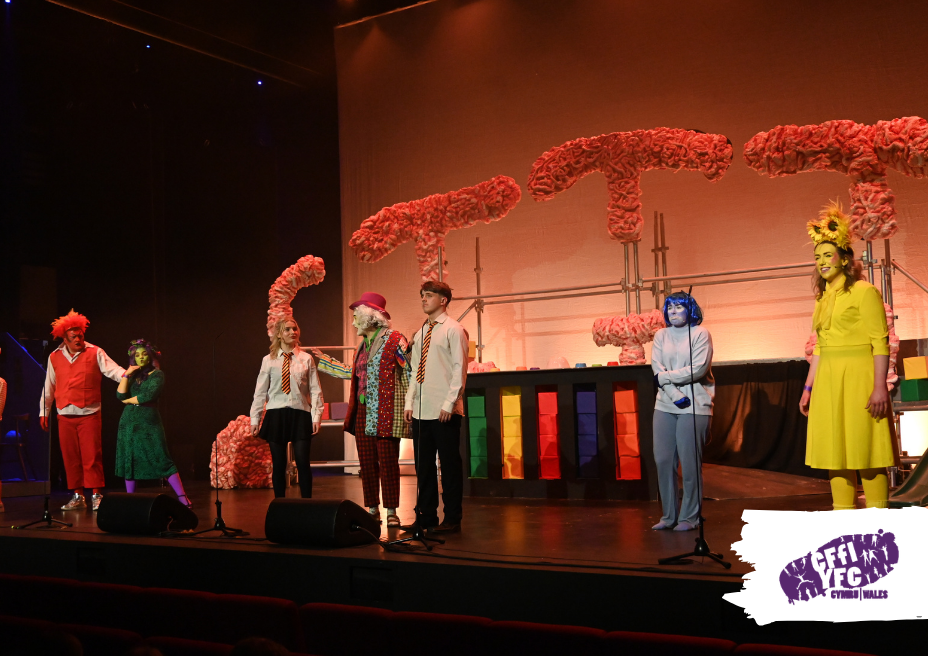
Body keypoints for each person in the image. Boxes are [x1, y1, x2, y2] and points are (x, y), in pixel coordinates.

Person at [799, 202, 893, 509]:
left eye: (828, 255)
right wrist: (808, 387)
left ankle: (878, 522)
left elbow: (880, 342)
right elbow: (821, 347)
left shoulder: (864, 291)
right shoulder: (822, 298)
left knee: (867, 450)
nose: (822, 262)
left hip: (858, 376)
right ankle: (844, 520)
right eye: (818, 258)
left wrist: (879, 387)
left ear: (844, 258)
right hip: (828, 380)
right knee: (835, 453)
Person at [313, 293, 410, 527]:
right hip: (363, 411)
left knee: (388, 462)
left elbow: (408, 371)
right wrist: (326, 361)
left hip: (386, 411)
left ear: (370, 317)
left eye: (357, 317)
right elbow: (353, 372)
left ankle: (391, 511)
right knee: (366, 462)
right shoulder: (361, 346)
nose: (354, 322)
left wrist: (410, 404)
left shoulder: (395, 339)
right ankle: (372, 508)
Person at [40, 310, 125, 511]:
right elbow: (49, 385)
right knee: (70, 458)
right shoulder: (54, 356)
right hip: (64, 414)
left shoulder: (95, 352)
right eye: (73, 337)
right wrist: (44, 411)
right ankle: (78, 496)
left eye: (80, 335)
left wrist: (129, 375)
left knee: (92, 456)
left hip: (89, 413)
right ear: (65, 339)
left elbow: (114, 370)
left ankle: (96, 495)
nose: (78, 339)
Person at [403, 280, 469, 534]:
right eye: (422, 295)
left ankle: (452, 518)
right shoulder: (421, 332)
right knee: (424, 467)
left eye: (429, 295)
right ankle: (426, 516)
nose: (423, 299)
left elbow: (459, 369)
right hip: (422, 408)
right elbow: (414, 371)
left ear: (443, 300)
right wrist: (410, 401)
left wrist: (449, 403)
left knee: (449, 466)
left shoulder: (454, 329)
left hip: (444, 409)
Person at [650, 291, 714, 531]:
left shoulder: (700, 333)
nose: (673, 311)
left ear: (690, 309)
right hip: (665, 403)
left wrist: (665, 378)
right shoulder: (661, 335)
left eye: (679, 307)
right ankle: (669, 516)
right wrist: (675, 394)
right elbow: (657, 368)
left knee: (689, 463)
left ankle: (690, 517)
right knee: (663, 460)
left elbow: (698, 369)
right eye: (670, 308)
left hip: (695, 404)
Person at [250, 316, 324, 498]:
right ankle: (280, 505)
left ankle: (307, 504)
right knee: (279, 464)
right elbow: (260, 392)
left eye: (295, 329)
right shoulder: (269, 360)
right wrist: (255, 419)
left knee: (303, 462)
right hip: (276, 414)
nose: (293, 332)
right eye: (288, 329)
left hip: (300, 413)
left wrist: (316, 416)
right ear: (279, 334)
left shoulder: (306, 359)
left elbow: (315, 390)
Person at [116, 339, 191, 507]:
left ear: (150, 356)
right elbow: (120, 394)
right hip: (128, 423)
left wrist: (128, 401)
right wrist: (127, 374)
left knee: (160, 456)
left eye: (144, 354)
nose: (141, 357)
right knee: (130, 459)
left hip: (148, 421)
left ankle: (182, 496)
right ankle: (130, 500)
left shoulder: (158, 375)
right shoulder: (133, 375)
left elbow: (148, 396)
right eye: (137, 355)